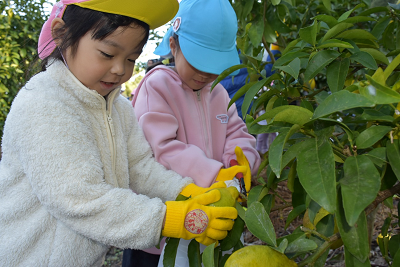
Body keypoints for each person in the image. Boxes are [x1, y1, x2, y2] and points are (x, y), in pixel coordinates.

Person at [0, 0, 247, 266]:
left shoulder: (117, 106)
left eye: (131, 59)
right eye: (107, 54)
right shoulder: (44, 104)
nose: (121, 70)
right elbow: (81, 200)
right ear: (61, 34)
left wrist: (187, 192)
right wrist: (174, 218)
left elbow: (140, 168)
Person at [131, 0, 261, 266]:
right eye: (197, 60)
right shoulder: (157, 87)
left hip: (209, 216)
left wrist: (241, 162)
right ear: (174, 45)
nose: (205, 73)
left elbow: (236, 133)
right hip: (165, 223)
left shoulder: (218, 92)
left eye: (213, 64)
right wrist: (214, 174)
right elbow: (163, 149)